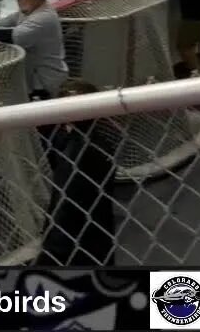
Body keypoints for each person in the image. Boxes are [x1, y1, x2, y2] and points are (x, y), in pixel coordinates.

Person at [35, 79, 120, 267]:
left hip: (72, 240)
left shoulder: (80, 150)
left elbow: (67, 201)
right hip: (94, 234)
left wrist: (54, 246)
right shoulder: (92, 141)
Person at [0, 0, 69, 102]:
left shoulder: (44, 17)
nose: (18, 0)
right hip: (34, 79)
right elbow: (4, 23)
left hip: (46, 82)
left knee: (43, 118)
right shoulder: (28, 12)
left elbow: (13, 36)